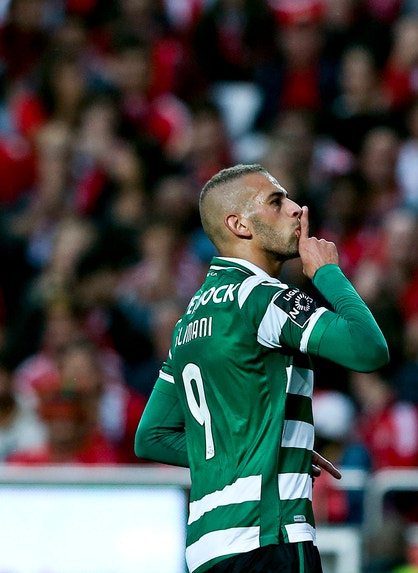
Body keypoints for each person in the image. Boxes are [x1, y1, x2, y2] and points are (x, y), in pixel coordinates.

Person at [134, 164, 389, 573]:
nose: (296, 208)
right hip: (271, 537)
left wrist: (266, 446)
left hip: (208, 551)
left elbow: (152, 437)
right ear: (239, 225)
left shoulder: (189, 322)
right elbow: (368, 349)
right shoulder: (261, 298)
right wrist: (327, 273)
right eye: (276, 201)